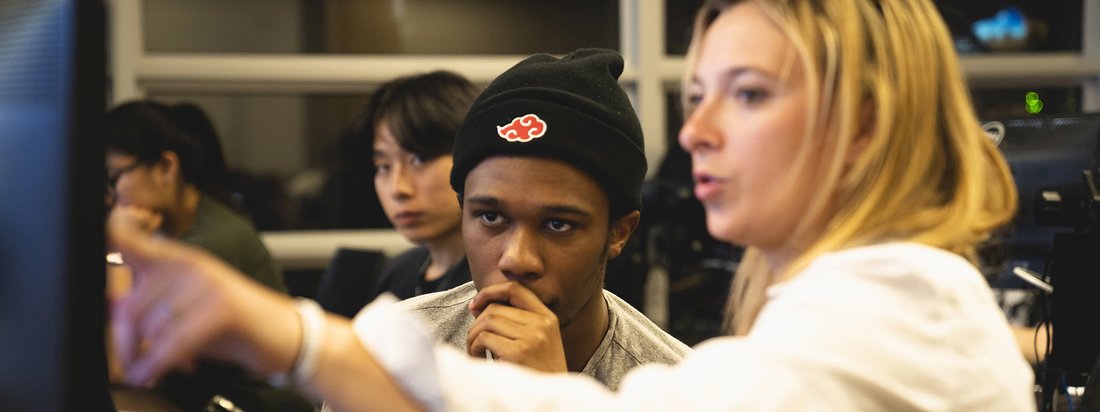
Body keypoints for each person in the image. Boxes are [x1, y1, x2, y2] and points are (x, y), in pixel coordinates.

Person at [106, 1, 1037, 410]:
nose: (700, 132)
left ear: (863, 127)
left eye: (747, 94)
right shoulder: (816, 308)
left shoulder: (898, 308)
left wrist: (289, 335)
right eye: (699, 93)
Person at [395, 50, 690, 389]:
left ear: (618, 233)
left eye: (558, 224)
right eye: (491, 217)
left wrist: (548, 398)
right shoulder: (399, 356)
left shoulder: (681, 393)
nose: (517, 259)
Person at [105, 101, 311, 412]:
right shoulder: (175, 231)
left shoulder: (210, 244)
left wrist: (121, 247)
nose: (110, 197)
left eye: (113, 178)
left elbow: (127, 366)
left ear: (165, 168)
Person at [359, 71, 479, 300]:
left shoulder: (499, 276)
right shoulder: (397, 273)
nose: (398, 188)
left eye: (419, 159)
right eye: (384, 166)